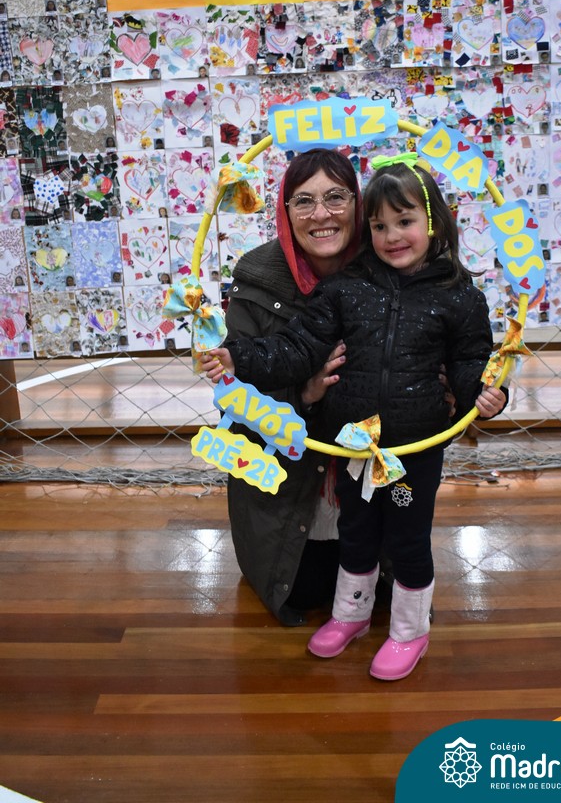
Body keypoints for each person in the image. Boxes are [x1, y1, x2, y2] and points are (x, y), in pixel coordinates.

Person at [201, 154, 506, 679]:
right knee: (358, 531)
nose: (392, 236)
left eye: (405, 222)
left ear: (434, 222)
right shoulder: (347, 288)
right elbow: (296, 346)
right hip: (353, 446)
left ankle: (410, 630)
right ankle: (351, 615)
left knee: (408, 539)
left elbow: (470, 361)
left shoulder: (458, 296)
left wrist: (482, 394)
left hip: (412, 453)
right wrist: (238, 357)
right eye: (380, 226)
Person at [210, 148, 363, 626]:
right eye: (304, 201)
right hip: (289, 484)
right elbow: (234, 404)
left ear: (357, 204)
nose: (321, 214)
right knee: (307, 590)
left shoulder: (389, 273)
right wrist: (304, 395)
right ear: (284, 209)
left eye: (336, 197)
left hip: (366, 478)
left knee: (373, 582)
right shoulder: (256, 285)